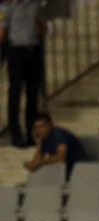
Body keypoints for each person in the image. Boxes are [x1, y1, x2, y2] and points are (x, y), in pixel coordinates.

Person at [1, 0, 46, 148]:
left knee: (32, 93)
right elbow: (3, 33)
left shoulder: (35, 6)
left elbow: (42, 28)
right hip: (16, 51)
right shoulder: (9, 7)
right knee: (15, 94)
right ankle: (15, 134)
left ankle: (32, 132)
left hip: (33, 51)